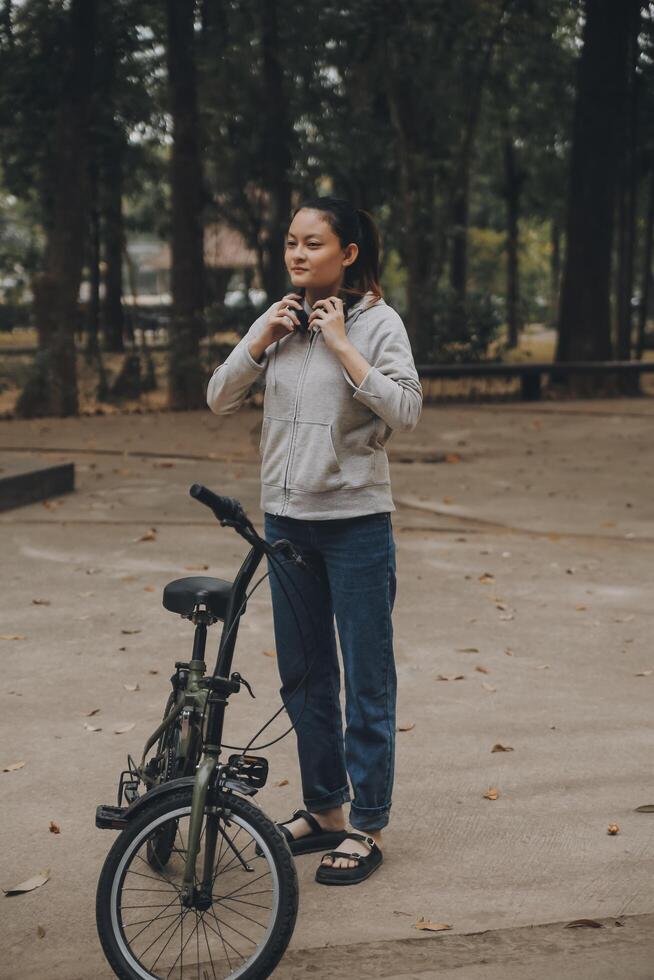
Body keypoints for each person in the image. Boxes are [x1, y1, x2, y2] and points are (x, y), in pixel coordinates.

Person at [206, 196, 422, 885]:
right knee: (303, 677)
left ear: (348, 253)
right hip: (287, 525)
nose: (298, 255)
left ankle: (368, 824)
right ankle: (324, 809)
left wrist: (344, 348)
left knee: (366, 678)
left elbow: (408, 410)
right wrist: (259, 339)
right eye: (291, 244)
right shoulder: (280, 320)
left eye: (313, 244)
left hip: (357, 524)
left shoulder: (379, 323)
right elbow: (218, 396)